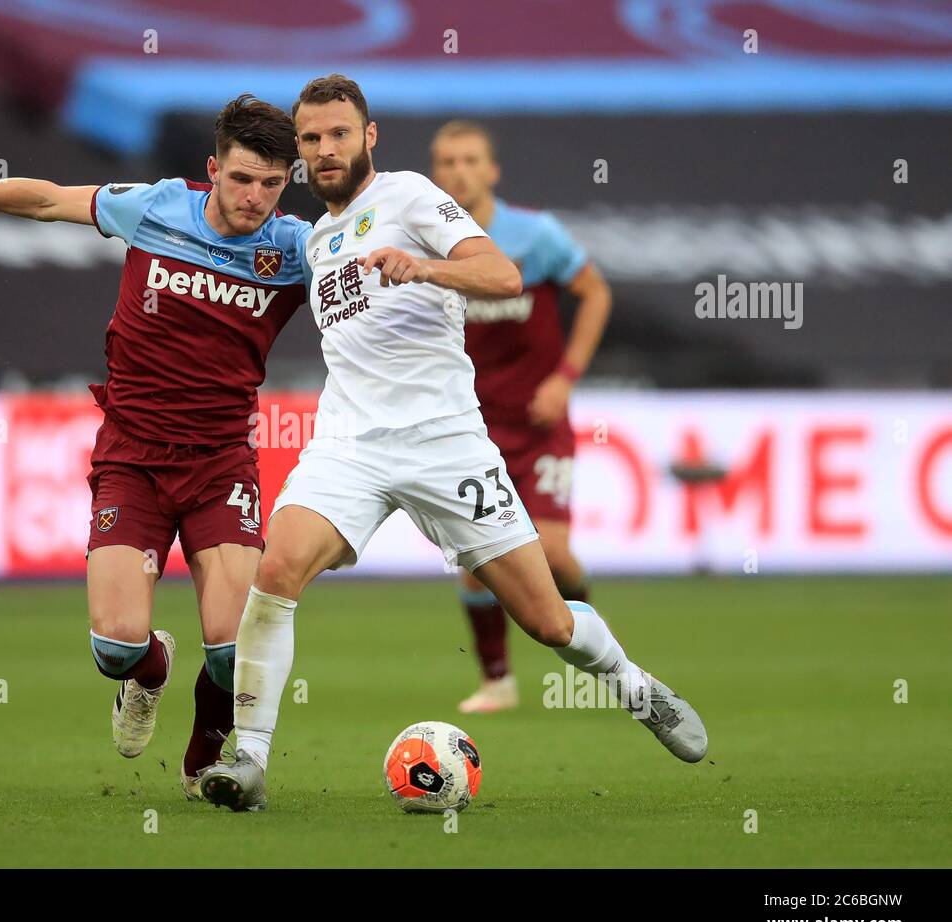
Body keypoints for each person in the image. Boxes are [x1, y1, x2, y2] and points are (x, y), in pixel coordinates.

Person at [199, 75, 707, 813]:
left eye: (339, 133)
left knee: (547, 620)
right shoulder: (314, 238)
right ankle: (248, 759)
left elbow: (503, 274)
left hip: (446, 442)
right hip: (350, 442)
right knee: (275, 569)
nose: (324, 149)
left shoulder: (408, 196)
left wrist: (426, 266)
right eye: (311, 139)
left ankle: (636, 686)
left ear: (369, 137)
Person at [0, 95, 312, 798]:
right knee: (116, 647)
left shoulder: (295, 249)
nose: (256, 198)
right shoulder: (155, 209)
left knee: (234, 647)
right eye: (243, 179)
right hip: (133, 458)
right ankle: (150, 674)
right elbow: (49, 200)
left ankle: (205, 760)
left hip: (220, 463)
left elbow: (370, 265)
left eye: (272, 184)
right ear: (212, 170)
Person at [430, 120, 613, 713]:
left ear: (492, 170)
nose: (459, 171)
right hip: (470, 430)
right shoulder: (428, 242)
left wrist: (566, 377)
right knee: (478, 562)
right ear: (436, 173)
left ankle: (600, 662)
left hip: (539, 425)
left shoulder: (534, 236)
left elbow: (596, 293)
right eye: (448, 161)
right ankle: (497, 681)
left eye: (470, 160)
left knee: (554, 555)